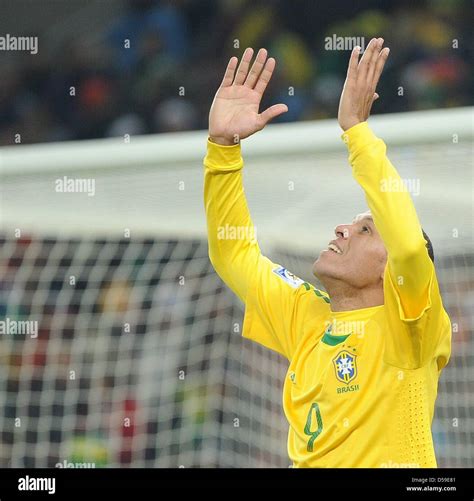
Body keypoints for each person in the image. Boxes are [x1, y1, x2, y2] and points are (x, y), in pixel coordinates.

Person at [203, 39, 451, 468]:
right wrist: (223, 149)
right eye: (350, 223)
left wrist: (356, 130)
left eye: (365, 229)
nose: (341, 228)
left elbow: (410, 247)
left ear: (390, 271)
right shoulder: (307, 317)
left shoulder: (411, 326)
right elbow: (233, 254)